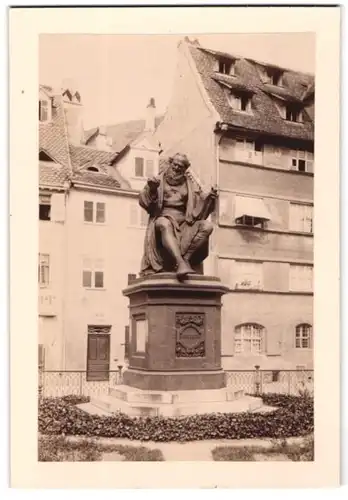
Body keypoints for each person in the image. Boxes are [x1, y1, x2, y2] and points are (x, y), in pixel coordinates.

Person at [139, 153, 218, 280]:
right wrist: (152, 190)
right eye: (175, 164)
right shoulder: (157, 181)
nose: (176, 168)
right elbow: (146, 203)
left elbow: (199, 212)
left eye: (180, 166)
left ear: (185, 169)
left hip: (185, 223)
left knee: (207, 226)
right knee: (164, 224)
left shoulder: (190, 186)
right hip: (162, 219)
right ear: (170, 164)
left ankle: (185, 260)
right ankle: (180, 262)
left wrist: (209, 199)